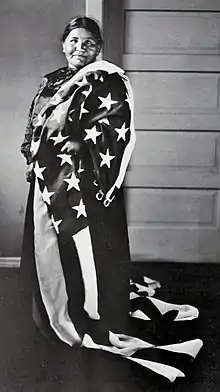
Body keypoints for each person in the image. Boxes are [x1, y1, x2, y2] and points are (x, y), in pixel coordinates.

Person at [20, 16, 203, 382]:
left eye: (88, 43)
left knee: (92, 250)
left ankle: (100, 307)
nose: (79, 48)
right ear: (63, 43)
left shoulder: (107, 79)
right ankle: (48, 301)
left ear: (98, 48)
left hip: (84, 184)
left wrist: (81, 143)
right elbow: (34, 123)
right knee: (49, 250)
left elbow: (113, 125)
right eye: (73, 40)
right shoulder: (50, 81)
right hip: (48, 179)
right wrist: (30, 155)